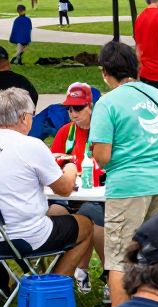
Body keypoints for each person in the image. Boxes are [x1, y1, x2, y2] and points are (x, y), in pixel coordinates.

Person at [90, 41, 158, 306]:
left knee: (120, 259)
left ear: (105, 72)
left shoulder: (107, 103)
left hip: (128, 185)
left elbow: (102, 156)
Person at [0, 87, 94, 292]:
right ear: (24, 117)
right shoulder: (31, 145)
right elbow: (64, 188)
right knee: (86, 226)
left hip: (2, 235)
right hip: (27, 235)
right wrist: (69, 168)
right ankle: (49, 289)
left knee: (56, 213)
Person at [47, 82, 106, 292]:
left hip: (97, 196)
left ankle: (108, 275)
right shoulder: (65, 132)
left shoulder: (103, 131)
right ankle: (61, 275)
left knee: (91, 215)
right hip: (69, 194)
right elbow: (52, 166)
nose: (72, 113)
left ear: (91, 106)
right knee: (54, 212)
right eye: (69, 108)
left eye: (78, 108)